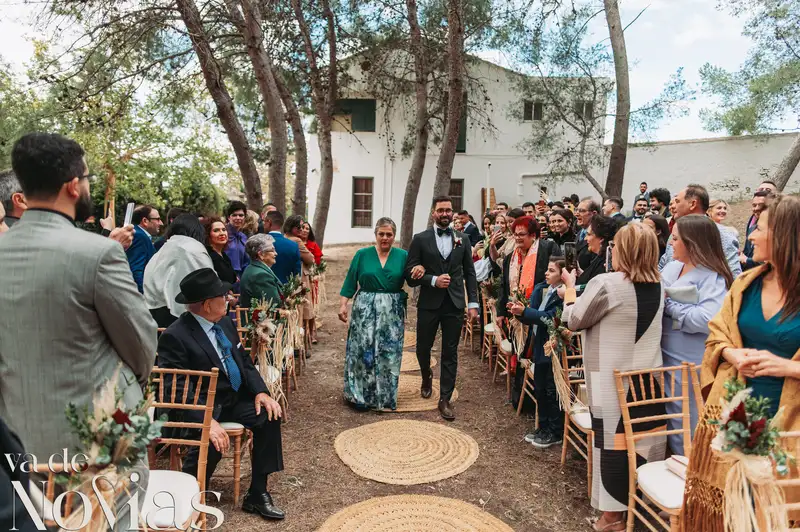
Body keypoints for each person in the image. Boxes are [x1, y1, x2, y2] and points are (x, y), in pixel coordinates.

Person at [0, 133, 156, 528]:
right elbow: (140, 341)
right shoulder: (98, 252)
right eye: (85, 177)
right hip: (98, 442)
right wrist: (128, 391)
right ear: (73, 185)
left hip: (17, 441)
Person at [681, 195, 800, 530]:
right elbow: (717, 335)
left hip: (790, 432)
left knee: (772, 518)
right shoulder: (745, 285)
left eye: (759, 228)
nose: (750, 235)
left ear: (785, 235)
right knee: (730, 514)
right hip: (735, 418)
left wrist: (789, 368)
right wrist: (731, 354)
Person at [157, 268, 285, 521]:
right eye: (223, 296)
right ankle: (185, 498)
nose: (228, 298)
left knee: (269, 417)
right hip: (203, 407)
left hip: (233, 399)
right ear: (206, 304)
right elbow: (178, 388)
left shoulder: (224, 322)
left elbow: (244, 365)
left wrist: (261, 392)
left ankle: (257, 494)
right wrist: (207, 421)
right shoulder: (176, 336)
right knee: (214, 441)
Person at [561, 223, 665, 532]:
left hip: (611, 379)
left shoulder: (607, 283)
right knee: (641, 441)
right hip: (649, 379)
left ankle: (611, 519)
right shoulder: (660, 284)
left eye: (616, 246)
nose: (612, 251)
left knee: (610, 445)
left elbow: (574, 318)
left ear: (625, 251)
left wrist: (569, 288)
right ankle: (637, 508)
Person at [660, 215, 732, 453]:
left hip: (689, 362)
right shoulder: (671, 268)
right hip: (661, 355)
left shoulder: (713, 276)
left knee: (685, 418)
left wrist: (669, 306)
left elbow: (706, 319)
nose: (671, 243)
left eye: (676, 239)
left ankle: (686, 471)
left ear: (693, 242)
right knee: (664, 419)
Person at [405, 196, 479, 421]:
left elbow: (470, 273)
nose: (445, 214)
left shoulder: (463, 239)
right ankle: (426, 376)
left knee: (450, 352)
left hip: (454, 304)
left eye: (448, 210)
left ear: (452, 213)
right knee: (423, 348)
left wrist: (473, 303)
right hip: (429, 303)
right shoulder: (420, 239)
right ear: (433, 213)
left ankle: (445, 398)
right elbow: (410, 275)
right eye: (440, 210)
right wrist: (432, 279)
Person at [339, 218, 417, 411]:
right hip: (364, 309)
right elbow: (351, 281)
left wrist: (419, 270)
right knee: (362, 350)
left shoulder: (402, 256)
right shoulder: (362, 255)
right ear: (375, 234)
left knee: (388, 353)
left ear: (394, 236)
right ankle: (360, 396)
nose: (385, 238)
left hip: (392, 312)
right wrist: (343, 305)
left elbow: (412, 281)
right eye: (381, 233)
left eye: (389, 234)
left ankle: (385, 397)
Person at [496, 216, 559, 404]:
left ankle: (535, 403)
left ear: (533, 235)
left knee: (535, 358)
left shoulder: (547, 249)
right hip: (516, 316)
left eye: (522, 235)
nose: (517, 238)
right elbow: (504, 287)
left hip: (538, 314)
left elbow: (556, 277)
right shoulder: (510, 258)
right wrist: (501, 312)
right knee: (520, 354)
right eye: (515, 234)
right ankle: (520, 400)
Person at [507, 256, 565, 448]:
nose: (546, 273)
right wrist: (519, 312)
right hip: (538, 346)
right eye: (547, 269)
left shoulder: (563, 295)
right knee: (539, 388)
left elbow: (549, 318)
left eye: (552, 270)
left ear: (563, 274)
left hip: (552, 349)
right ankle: (543, 426)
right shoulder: (544, 290)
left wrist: (526, 312)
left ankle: (555, 431)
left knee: (550, 390)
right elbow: (535, 315)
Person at [144, 214, 213, 328]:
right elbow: (209, 283)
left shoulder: (161, 251)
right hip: (182, 317)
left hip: (155, 313)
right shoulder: (193, 248)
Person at [659, 184, 742, 277]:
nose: (673, 206)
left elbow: (734, 276)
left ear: (693, 204)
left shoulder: (722, 235)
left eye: (677, 201)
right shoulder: (674, 233)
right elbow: (664, 264)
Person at [284, 214, 316, 350]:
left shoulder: (284, 238)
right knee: (302, 311)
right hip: (299, 279)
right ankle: (300, 345)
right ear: (295, 228)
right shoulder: (296, 241)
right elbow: (310, 259)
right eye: (301, 227)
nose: (303, 229)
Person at [576, 215, 618, 291]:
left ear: (601, 238)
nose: (585, 238)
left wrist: (569, 288)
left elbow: (593, 291)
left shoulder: (607, 263)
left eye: (589, 235)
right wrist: (582, 273)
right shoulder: (600, 257)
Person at [240, 234, 282, 310]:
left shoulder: (254, 268)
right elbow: (274, 305)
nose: (276, 253)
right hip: (263, 321)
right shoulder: (260, 275)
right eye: (272, 250)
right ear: (261, 254)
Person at [126, 205, 161, 293]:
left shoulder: (137, 234)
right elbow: (136, 271)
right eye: (157, 219)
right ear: (145, 221)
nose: (161, 223)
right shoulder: (139, 236)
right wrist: (143, 297)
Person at [263, 210, 302, 283]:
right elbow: (297, 273)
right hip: (285, 290)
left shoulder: (260, 243)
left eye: (264, 221)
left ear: (269, 222)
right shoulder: (293, 245)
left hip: (264, 289)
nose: (263, 224)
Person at [741, 189, 775, 270]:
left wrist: (747, 260)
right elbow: (748, 249)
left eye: (760, 205)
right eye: (754, 205)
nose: (756, 208)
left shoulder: (776, 229)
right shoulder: (752, 224)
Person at [204, 216, 237, 285]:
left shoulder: (223, 255)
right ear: (208, 235)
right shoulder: (209, 256)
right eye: (216, 230)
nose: (222, 233)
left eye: (224, 229)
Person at [225, 200, 250, 279]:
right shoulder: (223, 235)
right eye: (234, 215)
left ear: (244, 217)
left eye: (241, 215)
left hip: (242, 279)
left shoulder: (244, 237)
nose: (238, 218)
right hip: (226, 278)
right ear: (229, 217)